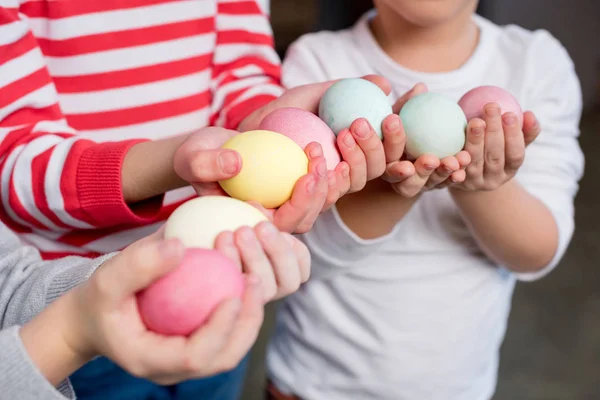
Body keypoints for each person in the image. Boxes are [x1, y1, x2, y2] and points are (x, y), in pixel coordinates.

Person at [265, 0, 585, 399]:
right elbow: (296, 253)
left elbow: (536, 251)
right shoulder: (317, 63)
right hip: (312, 385)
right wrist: (390, 186)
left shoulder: (535, 63)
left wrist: (476, 183)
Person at [0, 213, 310, 400]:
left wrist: (123, 276)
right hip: (86, 365)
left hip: (123, 320)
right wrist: (68, 334)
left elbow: (8, 279)